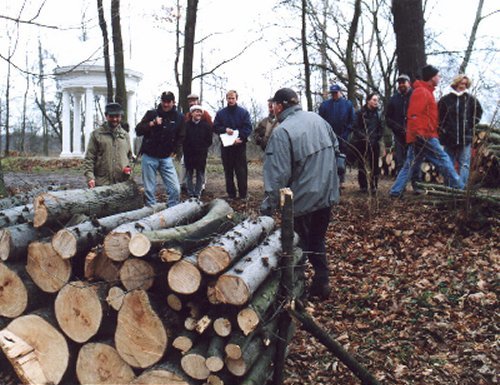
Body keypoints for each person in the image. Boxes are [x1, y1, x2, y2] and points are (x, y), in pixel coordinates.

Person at [260, 88, 340, 299]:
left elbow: (277, 175)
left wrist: (269, 205)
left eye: (274, 105)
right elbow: (338, 151)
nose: (273, 109)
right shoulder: (318, 119)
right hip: (326, 195)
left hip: (302, 200)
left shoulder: (282, 132)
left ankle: (294, 290)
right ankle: (322, 282)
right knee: (317, 239)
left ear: (279, 106)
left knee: (298, 245)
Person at [389, 65, 464, 197]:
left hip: (421, 135)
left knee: (410, 165)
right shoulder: (421, 92)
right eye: (438, 75)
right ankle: (460, 188)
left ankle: (395, 192)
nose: (439, 77)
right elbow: (414, 115)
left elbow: (425, 116)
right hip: (424, 135)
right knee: (443, 158)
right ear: (431, 77)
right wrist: (420, 135)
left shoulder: (426, 92)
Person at [135, 91, 185, 207]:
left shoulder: (179, 117)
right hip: (149, 157)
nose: (166, 104)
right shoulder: (151, 114)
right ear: (161, 101)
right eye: (164, 101)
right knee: (149, 190)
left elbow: (181, 136)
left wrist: (175, 151)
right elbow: (138, 130)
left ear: (173, 102)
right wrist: (152, 123)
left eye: (168, 102)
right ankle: (151, 212)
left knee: (175, 189)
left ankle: (171, 212)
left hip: (166, 158)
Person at [438, 74, 483, 187]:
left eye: (465, 84)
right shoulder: (445, 100)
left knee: (464, 165)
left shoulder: (471, 100)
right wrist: (443, 129)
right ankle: (449, 187)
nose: (463, 86)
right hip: (449, 138)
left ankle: (461, 188)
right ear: (456, 83)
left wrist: (470, 124)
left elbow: (479, 113)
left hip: (465, 137)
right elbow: (439, 117)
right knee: (448, 163)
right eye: (461, 83)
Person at [213, 90, 252, 200]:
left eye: (232, 98)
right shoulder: (221, 113)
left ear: (236, 99)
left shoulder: (243, 113)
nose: (230, 100)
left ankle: (243, 195)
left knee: (241, 171)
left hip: (239, 146)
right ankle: (231, 194)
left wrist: (240, 138)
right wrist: (225, 129)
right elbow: (215, 127)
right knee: (228, 171)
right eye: (229, 98)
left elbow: (248, 128)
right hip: (226, 147)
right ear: (226, 99)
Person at [83, 102, 133, 188]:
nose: (114, 119)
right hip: (101, 183)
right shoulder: (96, 135)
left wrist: (128, 170)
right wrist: (90, 178)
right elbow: (89, 158)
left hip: (121, 183)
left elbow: (130, 157)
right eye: (111, 116)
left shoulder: (125, 136)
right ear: (106, 116)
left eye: (117, 116)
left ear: (120, 117)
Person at [318, 84, 355, 185]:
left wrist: (346, 133)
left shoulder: (347, 104)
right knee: (329, 158)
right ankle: (330, 180)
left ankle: (341, 180)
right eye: (332, 93)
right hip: (328, 136)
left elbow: (352, 121)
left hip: (343, 136)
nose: (334, 95)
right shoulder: (325, 105)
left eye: (336, 93)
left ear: (340, 92)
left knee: (341, 159)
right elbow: (320, 121)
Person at [351, 93, 384, 193]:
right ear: (368, 101)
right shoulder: (360, 113)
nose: (376, 102)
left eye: (377, 100)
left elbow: (381, 128)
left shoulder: (378, 114)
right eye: (374, 100)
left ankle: (374, 186)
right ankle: (363, 186)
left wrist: (376, 137)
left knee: (374, 165)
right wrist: (364, 137)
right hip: (362, 143)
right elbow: (355, 128)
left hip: (374, 143)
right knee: (362, 164)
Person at [385, 74, 413, 174]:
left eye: (403, 82)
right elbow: (388, 118)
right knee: (400, 161)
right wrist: (397, 128)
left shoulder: (415, 97)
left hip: (413, 134)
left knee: (414, 160)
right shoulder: (393, 99)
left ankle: (416, 184)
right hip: (399, 135)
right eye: (399, 83)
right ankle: (401, 185)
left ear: (409, 83)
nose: (401, 85)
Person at [183, 105, 213, 198]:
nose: (198, 113)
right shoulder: (186, 125)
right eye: (196, 111)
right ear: (192, 113)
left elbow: (209, 140)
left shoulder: (206, 126)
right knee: (189, 173)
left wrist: (202, 148)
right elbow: (183, 139)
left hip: (201, 154)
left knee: (200, 173)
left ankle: (198, 192)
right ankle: (190, 192)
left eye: (200, 112)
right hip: (189, 154)